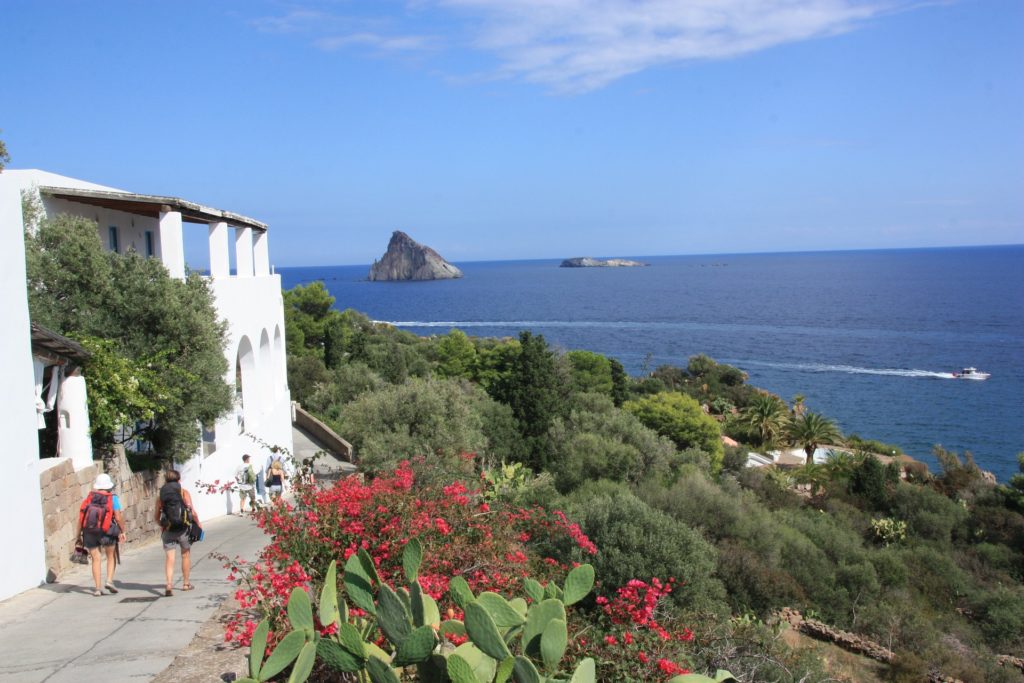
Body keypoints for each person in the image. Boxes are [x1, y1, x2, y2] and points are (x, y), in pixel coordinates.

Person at [76, 473, 127, 596]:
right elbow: (118, 517)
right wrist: (122, 531)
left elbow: (81, 518)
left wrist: (78, 536)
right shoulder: (112, 498)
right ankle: (109, 580)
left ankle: (97, 588)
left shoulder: (89, 498)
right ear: (109, 486)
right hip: (107, 531)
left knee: (96, 559)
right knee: (111, 556)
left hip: (90, 532)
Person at [155, 469, 198, 596]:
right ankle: (185, 584)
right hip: (183, 529)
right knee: (185, 555)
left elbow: (157, 515)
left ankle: (169, 584)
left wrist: (161, 524)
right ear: (179, 480)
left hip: (168, 529)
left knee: (170, 558)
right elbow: (192, 511)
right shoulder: (184, 492)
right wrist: (198, 524)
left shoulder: (162, 496)